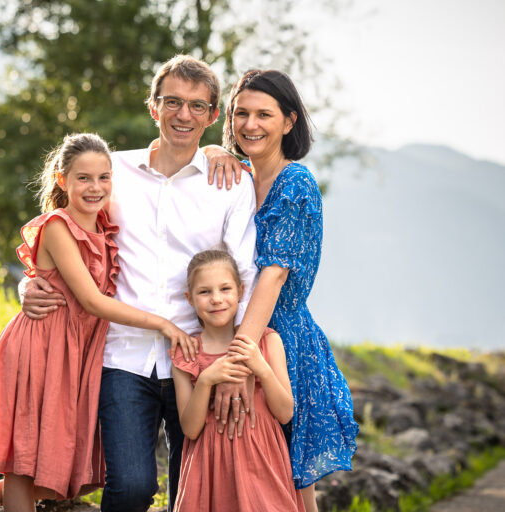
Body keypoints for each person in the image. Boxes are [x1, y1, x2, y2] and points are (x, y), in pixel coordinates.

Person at [21, 55, 259, 512]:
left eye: (196, 106)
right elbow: (64, 228)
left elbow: (243, 274)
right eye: (172, 102)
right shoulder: (114, 174)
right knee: (130, 487)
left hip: (198, 360)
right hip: (122, 356)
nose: (183, 115)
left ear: (212, 117)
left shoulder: (229, 183)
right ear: (154, 107)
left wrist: (238, 362)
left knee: (194, 492)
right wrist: (30, 284)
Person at [0, 133, 196, 512]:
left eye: (104, 177)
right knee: (26, 459)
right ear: (61, 180)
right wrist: (164, 325)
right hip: (42, 344)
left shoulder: (105, 224)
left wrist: (216, 150)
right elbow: (91, 300)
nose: (95, 187)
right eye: (83, 178)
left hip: (77, 353)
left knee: (61, 463)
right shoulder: (58, 226)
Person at [221, 69, 359, 512]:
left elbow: (274, 275)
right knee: (248, 472)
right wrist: (210, 151)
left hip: (279, 338)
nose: (250, 124)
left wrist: (240, 357)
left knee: (288, 478)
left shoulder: (295, 184)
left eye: (264, 114)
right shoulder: (236, 176)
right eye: (240, 113)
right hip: (235, 331)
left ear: (289, 121)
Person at [171, 250, 305, 512]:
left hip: (262, 462)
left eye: (225, 288)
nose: (216, 299)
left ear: (241, 291)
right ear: (190, 299)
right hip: (212, 467)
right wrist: (206, 381)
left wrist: (261, 369)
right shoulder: (186, 354)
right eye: (205, 292)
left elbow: (285, 412)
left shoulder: (267, 341)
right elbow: (189, 428)